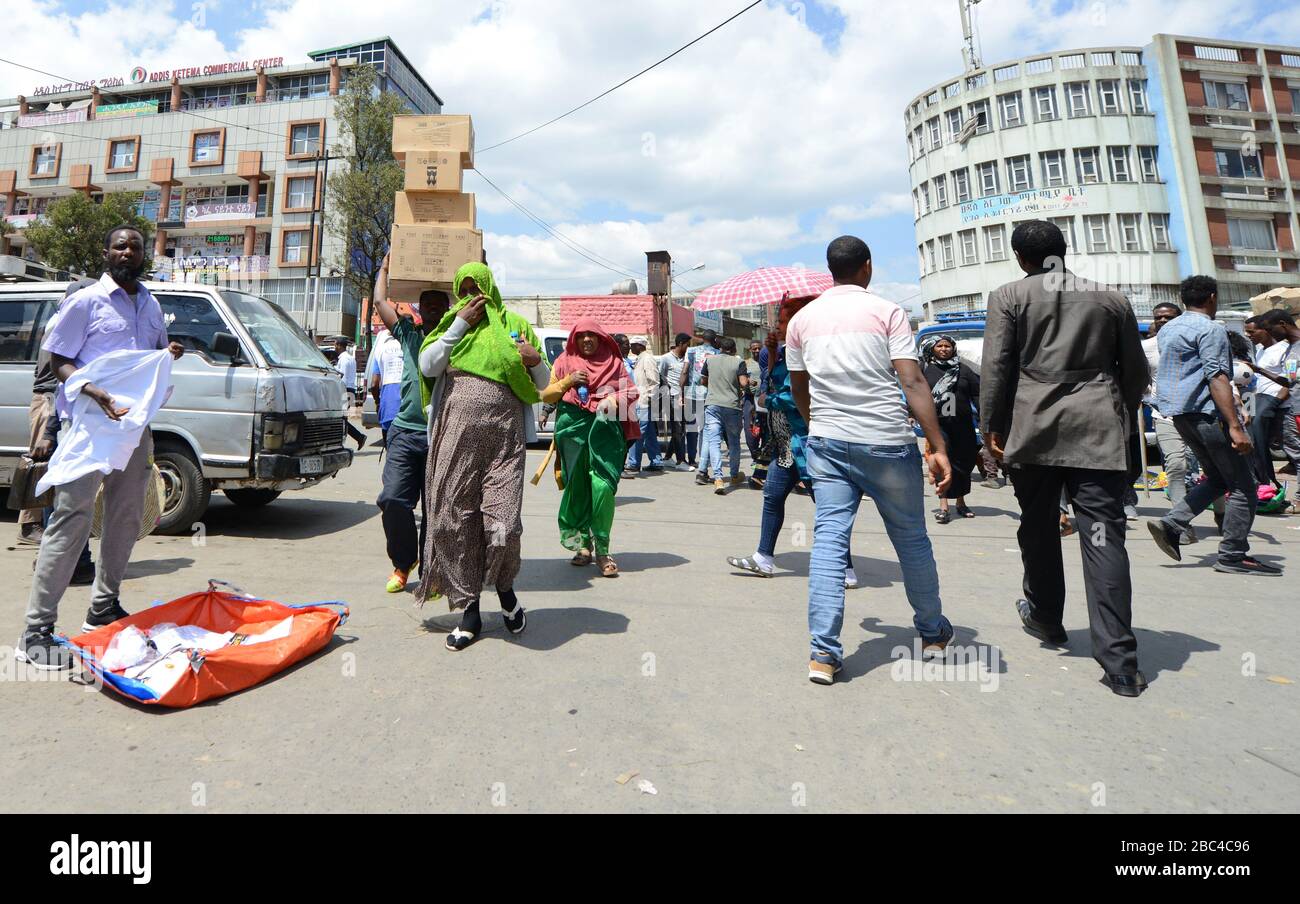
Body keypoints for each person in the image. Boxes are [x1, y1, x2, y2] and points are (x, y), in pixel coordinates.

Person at [982, 221, 1151, 697]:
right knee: (1103, 538)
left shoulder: (1009, 295)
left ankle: (1045, 619)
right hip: (1097, 430)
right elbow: (1134, 372)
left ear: (1020, 257)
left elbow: (997, 366)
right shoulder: (1110, 298)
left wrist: (991, 428)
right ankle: (1120, 662)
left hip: (1033, 429)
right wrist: (1120, 411)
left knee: (1037, 526)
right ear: (1063, 251)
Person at [788, 236, 955, 686]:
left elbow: (798, 386)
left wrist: (815, 421)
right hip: (886, 442)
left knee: (828, 544)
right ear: (866, 267)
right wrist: (937, 444)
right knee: (912, 540)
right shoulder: (887, 311)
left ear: (831, 270)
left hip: (827, 442)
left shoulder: (802, 319)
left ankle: (823, 654)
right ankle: (933, 633)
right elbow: (913, 380)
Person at [17, 225, 186, 671]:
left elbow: (148, 358)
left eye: (135, 246)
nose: (128, 251)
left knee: (125, 519)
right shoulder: (86, 300)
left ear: (143, 253)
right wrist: (96, 393)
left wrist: (167, 352)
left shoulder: (151, 303)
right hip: (89, 426)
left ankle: (103, 608)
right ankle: (35, 631)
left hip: (134, 429)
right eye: (119, 245)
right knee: (71, 521)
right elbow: (59, 361)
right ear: (106, 252)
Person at [416, 262, 550, 652]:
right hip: (454, 439)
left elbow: (544, 384)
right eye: (466, 289)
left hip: (504, 440)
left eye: (480, 288)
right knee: (454, 522)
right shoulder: (449, 328)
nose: (475, 296)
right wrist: (458, 324)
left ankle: (505, 589)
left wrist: (533, 359)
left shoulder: (516, 326)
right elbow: (427, 365)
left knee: (503, 523)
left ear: (491, 286)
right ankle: (469, 611)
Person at [1149, 276, 1281, 577]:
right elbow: (1217, 377)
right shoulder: (1211, 329)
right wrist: (1235, 425)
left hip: (1180, 415)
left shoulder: (1169, 329)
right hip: (1206, 414)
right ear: (1211, 297)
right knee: (1244, 486)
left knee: (1219, 478)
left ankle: (1172, 523)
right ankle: (1233, 554)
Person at [728, 295, 857, 588]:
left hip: (809, 443)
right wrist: (773, 355)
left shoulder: (814, 352)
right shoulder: (789, 351)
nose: (778, 325)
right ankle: (764, 558)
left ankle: (846, 569)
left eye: (783, 320)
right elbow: (775, 379)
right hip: (785, 443)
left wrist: (766, 400)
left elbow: (795, 394)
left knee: (827, 507)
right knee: (772, 497)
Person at [371, 257, 450, 593]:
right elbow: (378, 301)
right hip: (404, 431)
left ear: (447, 309)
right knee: (392, 500)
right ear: (420, 308)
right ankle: (403, 563)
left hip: (442, 434)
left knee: (436, 510)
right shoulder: (408, 333)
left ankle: (430, 572)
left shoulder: (457, 338)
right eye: (426, 304)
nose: (431, 308)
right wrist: (386, 268)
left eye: (438, 304)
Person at [543, 320, 639, 578]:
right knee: (578, 488)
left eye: (592, 335)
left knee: (602, 488)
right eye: (582, 335)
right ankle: (583, 545)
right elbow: (547, 395)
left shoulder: (614, 363)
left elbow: (631, 392)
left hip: (606, 434)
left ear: (601, 338)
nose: (587, 340)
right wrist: (568, 381)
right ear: (574, 338)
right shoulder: (563, 361)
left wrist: (612, 399)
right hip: (572, 432)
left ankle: (603, 550)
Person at [1143, 301, 1196, 543]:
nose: (1163, 321)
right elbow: (1142, 380)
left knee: (1212, 469)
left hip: (1199, 414)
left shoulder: (1194, 339)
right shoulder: (1147, 347)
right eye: (1158, 318)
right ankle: (1180, 524)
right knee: (1176, 465)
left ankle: (1220, 512)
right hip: (1164, 416)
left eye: (1168, 317)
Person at [922, 335, 981, 523]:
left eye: (948, 346)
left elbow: (977, 394)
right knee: (941, 464)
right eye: (940, 346)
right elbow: (916, 395)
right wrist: (910, 413)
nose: (944, 349)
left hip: (963, 426)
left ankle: (961, 503)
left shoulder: (964, 370)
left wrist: (984, 416)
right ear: (932, 349)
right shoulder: (926, 371)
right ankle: (944, 506)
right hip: (938, 427)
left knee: (963, 464)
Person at [1246, 313, 1296, 488]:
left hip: (1284, 405)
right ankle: (1264, 482)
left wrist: (1275, 401)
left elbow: (1290, 382)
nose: (1248, 335)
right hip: (1260, 399)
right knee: (1253, 440)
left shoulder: (1287, 348)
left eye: (1253, 331)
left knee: (1294, 451)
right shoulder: (1263, 350)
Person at [1258, 310, 1300, 502]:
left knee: (1296, 454)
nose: (1269, 333)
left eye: (1269, 328)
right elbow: (1288, 380)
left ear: (1282, 324)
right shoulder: (1289, 349)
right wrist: (1258, 369)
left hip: (1295, 409)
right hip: (1290, 407)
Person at [701, 337, 750, 494]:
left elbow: (703, 381)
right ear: (734, 349)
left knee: (714, 442)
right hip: (732, 406)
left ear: (720, 348)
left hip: (712, 405)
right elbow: (743, 383)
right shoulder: (739, 362)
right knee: (734, 441)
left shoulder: (710, 361)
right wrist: (750, 383)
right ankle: (734, 475)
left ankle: (718, 478)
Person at [681, 330, 720, 474]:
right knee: (706, 428)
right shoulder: (717, 353)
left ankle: (692, 458)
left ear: (702, 339)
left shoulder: (691, 351)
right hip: (710, 394)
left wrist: (681, 393)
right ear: (714, 339)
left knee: (691, 427)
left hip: (692, 393)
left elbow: (685, 371)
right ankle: (705, 458)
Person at [624, 335, 664, 475]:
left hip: (644, 402)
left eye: (633, 345)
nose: (631, 348)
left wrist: (649, 401)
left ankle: (633, 463)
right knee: (649, 434)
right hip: (641, 402)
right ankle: (656, 461)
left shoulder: (647, 359)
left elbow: (654, 382)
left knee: (637, 432)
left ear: (640, 346)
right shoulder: (639, 359)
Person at [657, 333, 692, 468]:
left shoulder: (686, 359)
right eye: (687, 345)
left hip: (684, 397)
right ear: (681, 344)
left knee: (680, 429)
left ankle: (667, 457)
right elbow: (661, 376)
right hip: (672, 397)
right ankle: (680, 460)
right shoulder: (666, 358)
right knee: (677, 428)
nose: (688, 348)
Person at [367, 327, 403, 447]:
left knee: (392, 457)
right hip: (411, 413)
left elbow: (374, 384)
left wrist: (378, 402)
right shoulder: (412, 345)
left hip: (389, 408)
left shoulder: (380, 349)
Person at [333, 337, 367, 451]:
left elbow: (343, 378)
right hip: (350, 390)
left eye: (335, 344)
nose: (334, 347)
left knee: (340, 419)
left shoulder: (345, 359)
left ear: (339, 345)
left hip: (345, 391)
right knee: (341, 419)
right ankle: (358, 437)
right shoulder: (349, 358)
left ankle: (359, 437)